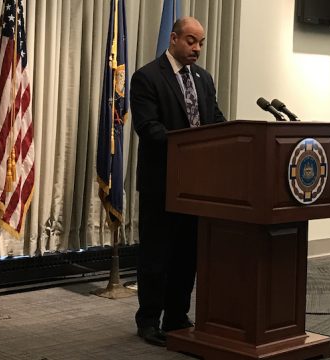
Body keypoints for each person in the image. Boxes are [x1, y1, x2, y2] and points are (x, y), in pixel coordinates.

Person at [129, 16, 226, 347]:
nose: (197, 48)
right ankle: (148, 320)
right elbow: (149, 128)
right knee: (157, 255)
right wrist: (193, 145)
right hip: (161, 182)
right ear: (173, 39)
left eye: (201, 42)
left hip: (197, 186)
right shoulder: (146, 77)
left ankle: (176, 316)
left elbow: (215, 121)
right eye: (191, 41)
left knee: (187, 254)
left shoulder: (204, 79)